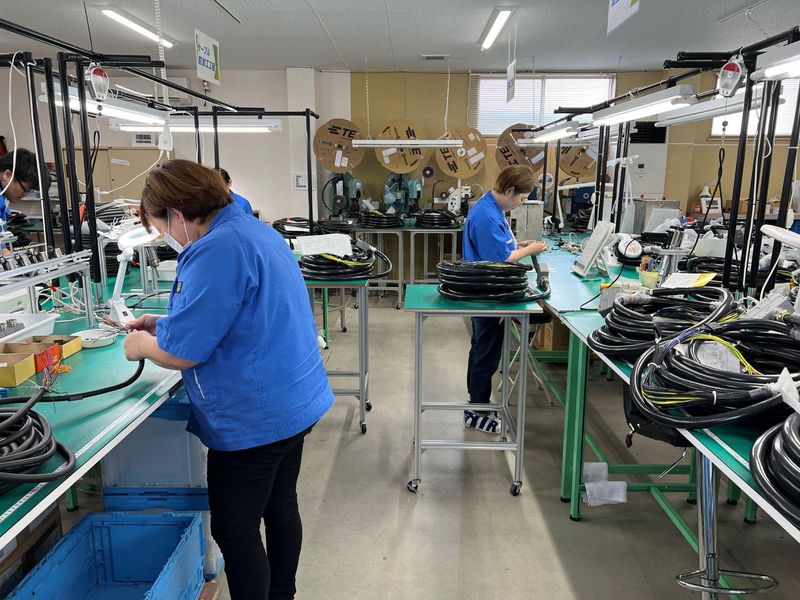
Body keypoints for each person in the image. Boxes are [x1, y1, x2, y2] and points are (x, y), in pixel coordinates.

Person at [123, 159, 333, 600]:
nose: (167, 236)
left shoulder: (216, 249)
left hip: (256, 418)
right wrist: (162, 324)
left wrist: (143, 345)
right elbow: (235, 313)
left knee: (235, 529)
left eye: (162, 226)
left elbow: (183, 353)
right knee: (280, 506)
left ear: (176, 214)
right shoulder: (253, 229)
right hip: (295, 400)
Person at [462, 165, 548, 434]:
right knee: (486, 354)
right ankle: (476, 410)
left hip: (488, 292)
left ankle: (477, 404)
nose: (521, 203)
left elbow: (500, 246)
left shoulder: (491, 206)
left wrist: (517, 246)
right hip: (487, 295)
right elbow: (500, 259)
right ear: (510, 190)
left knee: (482, 349)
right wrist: (531, 249)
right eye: (521, 198)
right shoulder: (487, 215)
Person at [0, 149, 40, 245]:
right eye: (25, 189)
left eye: (30, 192)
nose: (25, 195)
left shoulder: (3, 199)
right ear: (7, 175)